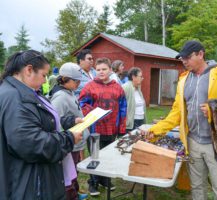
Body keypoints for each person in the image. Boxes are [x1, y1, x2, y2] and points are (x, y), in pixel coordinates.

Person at [143, 41, 217, 200]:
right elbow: (176, 113)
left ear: (201, 54)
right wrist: (156, 130)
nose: (184, 61)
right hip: (192, 142)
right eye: (182, 58)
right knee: (197, 186)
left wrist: (215, 109)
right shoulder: (183, 80)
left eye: (188, 57)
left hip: (216, 143)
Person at [0, 50, 82, 199]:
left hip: (31, 178)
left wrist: (69, 122)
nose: (45, 81)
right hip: (29, 182)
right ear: (29, 70)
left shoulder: (23, 92)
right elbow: (29, 143)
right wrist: (68, 139)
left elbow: (42, 121)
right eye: (44, 75)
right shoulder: (15, 97)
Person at [79, 57, 127, 196]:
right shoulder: (90, 86)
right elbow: (82, 103)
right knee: (95, 156)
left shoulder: (117, 87)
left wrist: (121, 127)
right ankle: (93, 182)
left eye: (104, 69)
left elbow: (123, 107)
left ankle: (105, 180)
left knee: (108, 156)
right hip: (95, 129)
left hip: (112, 128)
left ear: (110, 70)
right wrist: (93, 112)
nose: (101, 72)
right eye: (98, 69)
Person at [50, 62, 90, 200]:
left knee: (74, 172)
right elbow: (56, 121)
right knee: (68, 174)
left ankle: (75, 193)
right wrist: (73, 121)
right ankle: (70, 196)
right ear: (65, 79)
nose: (79, 83)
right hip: (69, 143)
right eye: (76, 81)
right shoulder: (60, 96)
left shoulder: (70, 92)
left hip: (75, 141)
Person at [122, 67, 146, 132]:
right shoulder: (125, 87)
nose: (142, 78)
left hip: (140, 120)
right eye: (140, 76)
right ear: (133, 77)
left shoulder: (138, 88)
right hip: (131, 123)